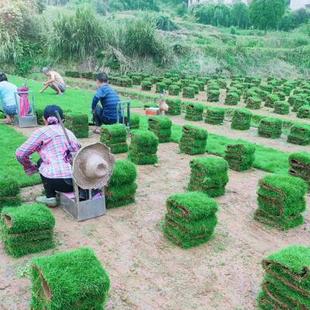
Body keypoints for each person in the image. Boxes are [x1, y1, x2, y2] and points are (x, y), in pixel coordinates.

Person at [16, 105, 80, 207]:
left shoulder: (41, 132)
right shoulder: (70, 133)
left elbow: (20, 154)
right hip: (79, 182)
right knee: (44, 161)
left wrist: (30, 167)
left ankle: (50, 197)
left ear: (43, 119)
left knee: (41, 162)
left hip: (58, 182)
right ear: (62, 120)